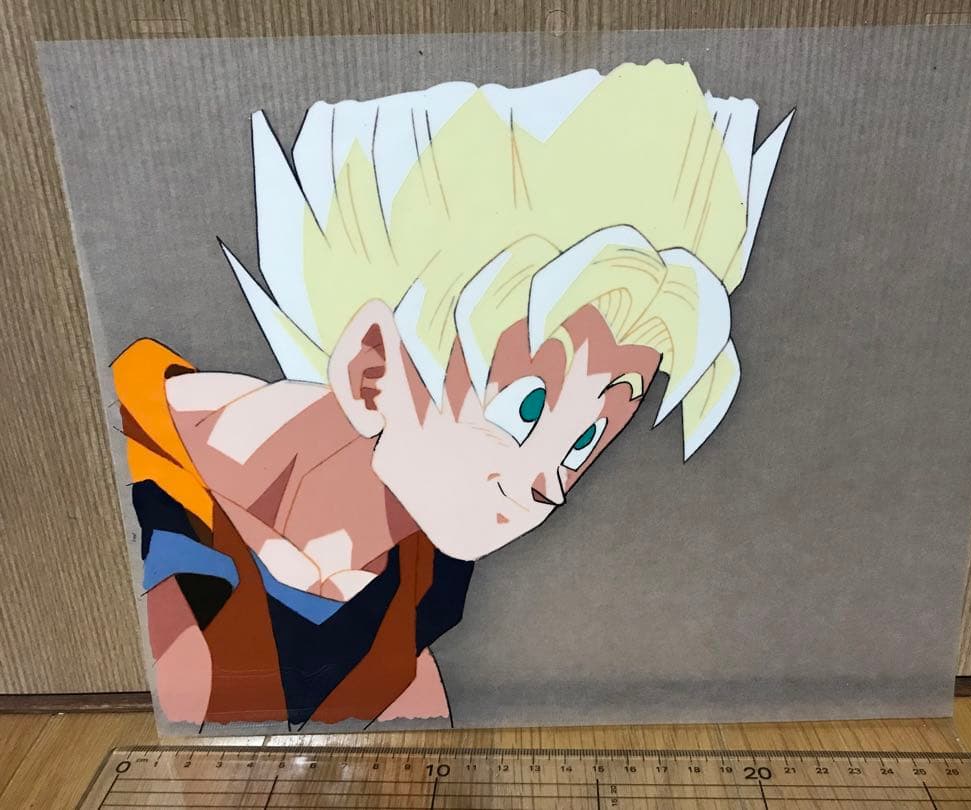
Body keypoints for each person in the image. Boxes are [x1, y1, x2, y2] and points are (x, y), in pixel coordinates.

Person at [113, 60, 792, 729]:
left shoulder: (409, 608)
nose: (549, 489)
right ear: (372, 371)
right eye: (525, 408)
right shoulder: (123, 460)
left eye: (584, 441)